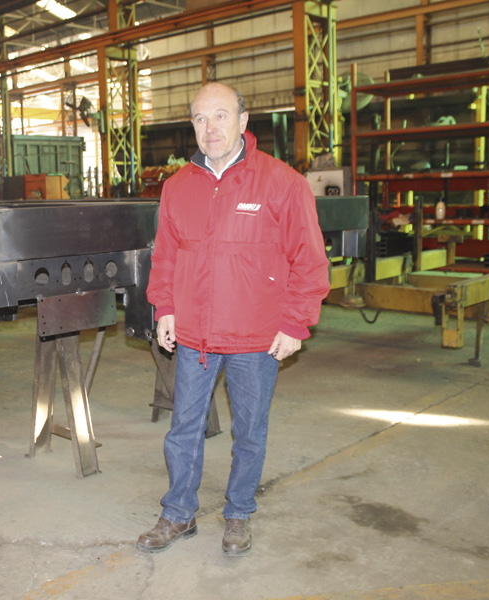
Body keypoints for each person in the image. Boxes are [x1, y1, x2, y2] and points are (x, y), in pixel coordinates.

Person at [136, 82, 331, 556]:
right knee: (183, 429)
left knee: (249, 431)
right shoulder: (178, 186)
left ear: (244, 122)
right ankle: (178, 513)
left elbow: (309, 260)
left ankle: (239, 513)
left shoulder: (282, 182)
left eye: (221, 116)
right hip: (196, 337)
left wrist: (295, 324)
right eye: (201, 119)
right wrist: (165, 308)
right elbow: (165, 257)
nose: (211, 128)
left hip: (257, 338)